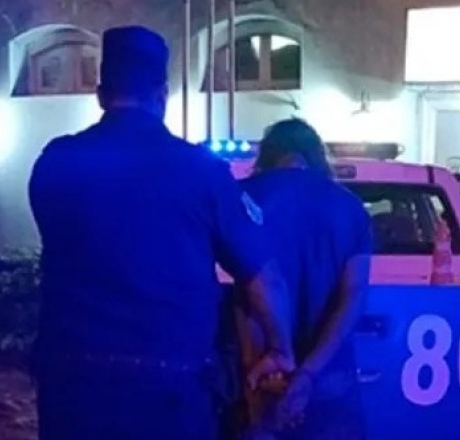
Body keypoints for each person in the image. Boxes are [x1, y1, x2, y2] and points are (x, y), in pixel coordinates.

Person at [28, 26, 294, 440]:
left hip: (73, 385)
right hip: (171, 386)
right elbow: (263, 278)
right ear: (163, 95)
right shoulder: (202, 171)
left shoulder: (55, 162)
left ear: (101, 94)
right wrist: (280, 349)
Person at [239, 118, 373, 440]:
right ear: (316, 155)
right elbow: (354, 295)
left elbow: (239, 291)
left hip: (257, 374)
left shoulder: (242, 199)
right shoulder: (349, 206)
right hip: (329, 377)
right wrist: (308, 374)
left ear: (268, 155)